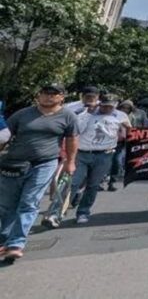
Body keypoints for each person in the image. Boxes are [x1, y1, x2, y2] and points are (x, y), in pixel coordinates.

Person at [0, 83, 78, 262]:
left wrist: (71, 162)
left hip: (44, 163)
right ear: (39, 95)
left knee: (29, 201)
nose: (48, 97)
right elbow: (4, 136)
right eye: (45, 93)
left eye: (53, 94)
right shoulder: (22, 114)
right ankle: (5, 239)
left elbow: (72, 139)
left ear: (61, 97)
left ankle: (16, 243)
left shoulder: (68, 116)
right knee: (6, 205)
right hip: (13, 163)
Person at [45, 95, 131, 226]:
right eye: (105, 105)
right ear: (99, 103)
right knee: (72, 182)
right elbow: (76, 130)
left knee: (93, 185)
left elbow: (130, 132)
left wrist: (127, 129)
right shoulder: (86, 114)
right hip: (83, 153)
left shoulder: (121, 115)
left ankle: (83, 212)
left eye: (111, 106)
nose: (107, 108)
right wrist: (88, 114)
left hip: (105, 155)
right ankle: (55, 213)